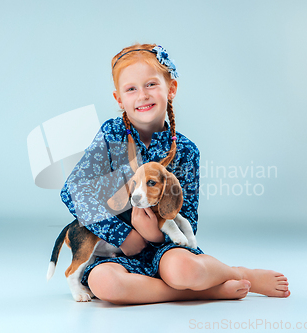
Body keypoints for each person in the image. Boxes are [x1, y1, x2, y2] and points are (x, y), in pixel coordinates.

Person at [60, 43, 290, 305]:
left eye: (151, 85)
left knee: (184, 270)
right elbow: (73, 191)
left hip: (165, 248)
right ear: (119, 99)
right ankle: (208, 290)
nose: (142, 95)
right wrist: (124, 236)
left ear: (171, 90)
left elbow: (187, 218)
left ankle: (238, 273)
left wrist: (154, 235)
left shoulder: (187, 150)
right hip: (116, 250)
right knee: (105, 284)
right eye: (131, 89)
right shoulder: (110, 136)